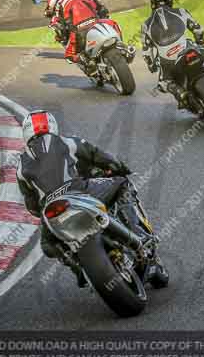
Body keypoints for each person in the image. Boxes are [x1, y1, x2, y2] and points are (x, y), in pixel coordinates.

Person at [16, 110, 168, 288]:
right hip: (79, 191)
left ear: (26, 133)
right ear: (52, 126)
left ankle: (78, 268)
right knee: (121, 184)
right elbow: (97, 155)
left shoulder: (20, 166)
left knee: (48, 245)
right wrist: (119, 168)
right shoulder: (68, 142)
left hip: (50, 208)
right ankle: (139, 233)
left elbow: (31, 204)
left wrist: (43, 213)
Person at [141, 0, 204, 108]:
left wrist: (152, 65)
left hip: (168, 62)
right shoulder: (181, 11)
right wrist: (200, 40)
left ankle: (180, 93)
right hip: (187, 50)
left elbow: (146, 52)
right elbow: (198, 29)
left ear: (152, 4)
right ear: (170, 2)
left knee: (163, 83)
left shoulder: (146, 25)